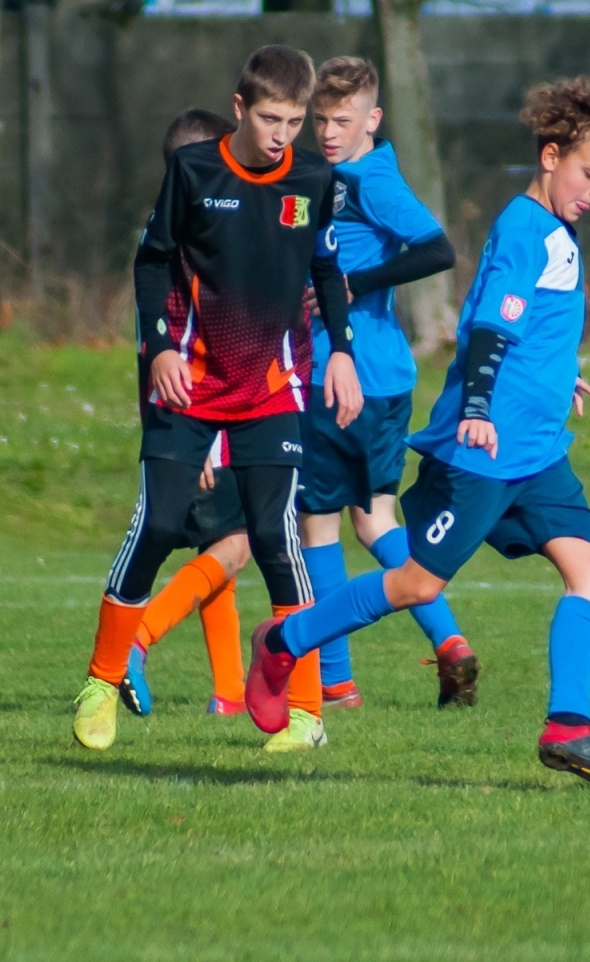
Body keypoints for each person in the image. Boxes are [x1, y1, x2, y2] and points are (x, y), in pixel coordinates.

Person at [246, 77, 590, 785]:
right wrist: (474, 413)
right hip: (486, 452)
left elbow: (531, 328)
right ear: (552, 155)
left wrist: (561, 377)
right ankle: (284, 641)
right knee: (413, 584)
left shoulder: (558, 230)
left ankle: (568, 729)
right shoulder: (527, 229)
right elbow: (493, 323)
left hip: (538, 454)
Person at [72, 45, 362, 753]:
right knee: (160, 524)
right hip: (190, 382)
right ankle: (102, 683)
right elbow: (150, 263)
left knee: (274, 537)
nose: (282, 135)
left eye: (295, 121)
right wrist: (161, 346)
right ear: (239, 108)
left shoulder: (315, 177)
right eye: (270, 118)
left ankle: (305, 715)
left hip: (274, 386)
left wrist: (343, 354)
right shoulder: (194, 172)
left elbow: (327, 269)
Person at [300, 56, 478, 710]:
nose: (326, 131)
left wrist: (354, 284)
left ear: (372, 118)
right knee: (375, 520)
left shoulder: (366, 179)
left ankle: (336, 681)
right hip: (386, 375)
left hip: (337, 373)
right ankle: (451, 644)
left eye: (341, 120)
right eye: (320, 119)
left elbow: (437, 249)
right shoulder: (335, 173)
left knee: (316, 522)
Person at [118, 109, 255, 720]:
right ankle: (136, 638)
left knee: (218, 544)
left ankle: (229, 693)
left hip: (195, 413)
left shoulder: (176, 230)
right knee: (234, 545)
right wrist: (200, 440)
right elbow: (180, 345)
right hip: (197, 417)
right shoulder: (186, 243)